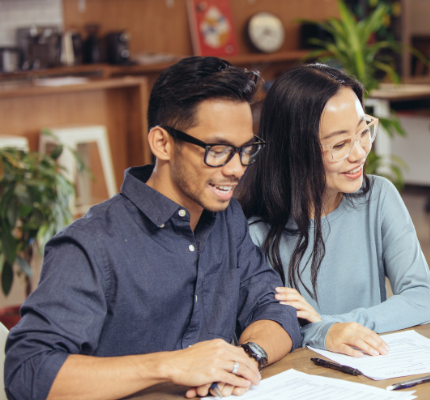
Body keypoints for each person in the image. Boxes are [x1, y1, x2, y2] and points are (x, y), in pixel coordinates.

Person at [4, 57, 301, 400]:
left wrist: (245, 360)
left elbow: (275, 308)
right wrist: (170, 365)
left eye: (246, 150)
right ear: (162, 143)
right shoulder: (91, 244)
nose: (237, 169)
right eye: (218, 150)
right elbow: (29, 369)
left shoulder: (227, 218)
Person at [236, 64, 430, 357]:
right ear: (294, 150)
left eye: (363, 132)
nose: (359, 153)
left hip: (371, 370)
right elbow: (256, 334)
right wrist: (322, 333)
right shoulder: (253, 231)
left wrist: (328, 326)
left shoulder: (378, 197)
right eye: (340, 144)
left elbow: (422, 300)